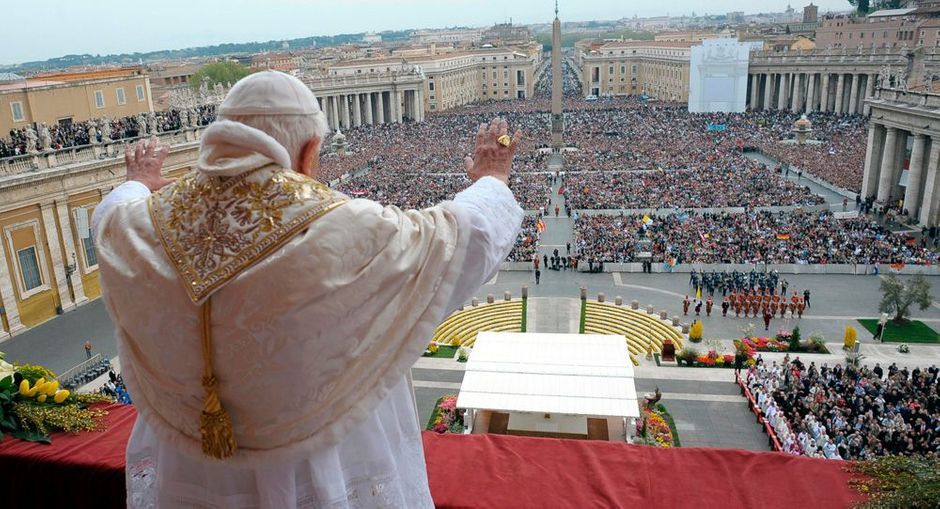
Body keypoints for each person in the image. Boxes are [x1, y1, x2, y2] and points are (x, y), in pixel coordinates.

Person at [93, 72, 525, 508]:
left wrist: (138, 179)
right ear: (308, 152)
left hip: (195, 471)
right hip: (319, 470)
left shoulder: (136, 225)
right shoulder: (347, 230)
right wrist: (491, 177)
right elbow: (462, 237)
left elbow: (109, 213)